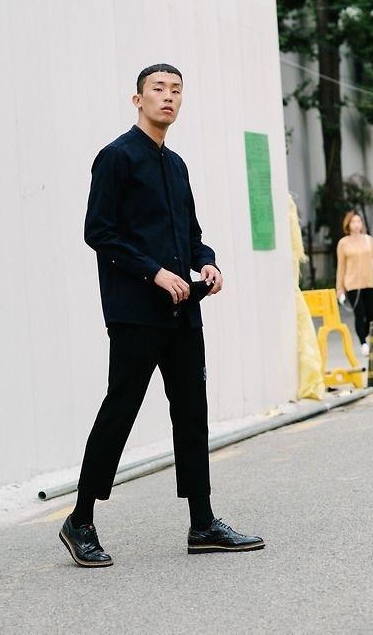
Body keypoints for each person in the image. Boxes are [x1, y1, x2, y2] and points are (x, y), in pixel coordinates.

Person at [59, 63, 265, 567]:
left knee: (191, 412)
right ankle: (80, 520)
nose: (168, 97)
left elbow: (191, 234)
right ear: (138, 99)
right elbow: (99, 232)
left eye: (176, 90)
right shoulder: (116, 157)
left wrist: (206, 261)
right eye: (158, 89)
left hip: (183, 311)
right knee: (120, 410)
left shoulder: (176, 166)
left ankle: (202, 523)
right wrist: (153, 272)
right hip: (135, 312)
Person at [336, 210, 373, 356]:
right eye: (353, 222)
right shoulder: (343, 243)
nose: (356, 224)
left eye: (359, 221)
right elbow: (341, 267)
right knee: (360, 314)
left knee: (371, 315)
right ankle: (363, 343)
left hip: (369, 282)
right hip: (352, 285)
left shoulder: (368, 240)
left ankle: (364, 335)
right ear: (348, 224)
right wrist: (339, 289)